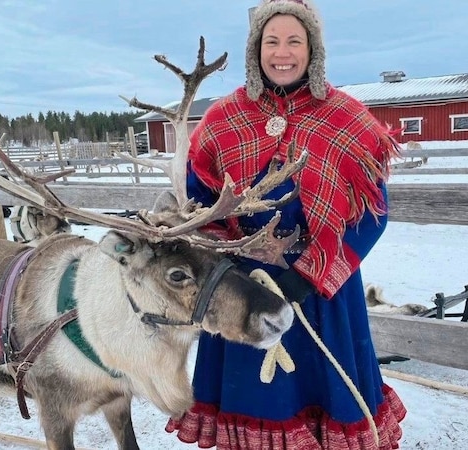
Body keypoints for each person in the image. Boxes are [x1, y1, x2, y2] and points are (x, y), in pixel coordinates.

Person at [166, 0, 406, 448]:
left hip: (321, 294)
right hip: (242, 289)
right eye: (271, 41)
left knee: (327, 398)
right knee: (254, 406)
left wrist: (309, 276)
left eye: (294, 41)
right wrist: (228, 261)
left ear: (312, 49)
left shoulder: (346, 118)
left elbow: (373, 215)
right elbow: (197, 203)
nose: (283, 52)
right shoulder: (223, 119)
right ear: (255, 50)